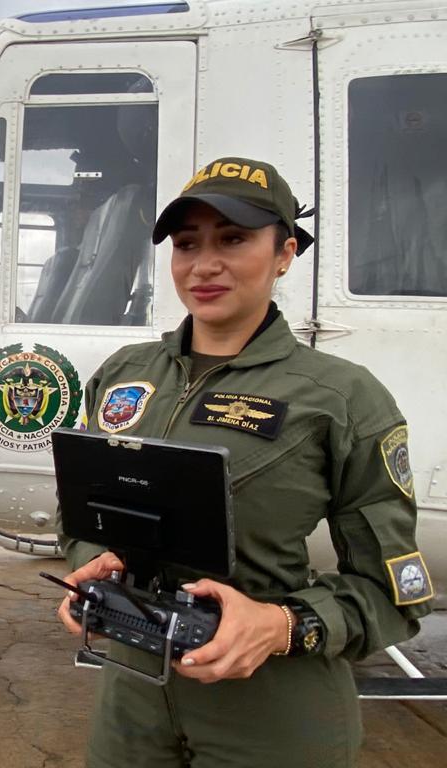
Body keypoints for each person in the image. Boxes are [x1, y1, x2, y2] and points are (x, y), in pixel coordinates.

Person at [54, 157, 433, 767]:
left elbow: (395, 591)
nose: (203, 265)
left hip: (270, 710)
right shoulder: (125, 373)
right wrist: (89, 562)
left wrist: (281, 626)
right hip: (132, 692)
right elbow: (76, 514)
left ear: (285, 252)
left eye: (232, 239)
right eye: (186, 244)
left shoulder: (340, 397)